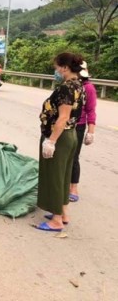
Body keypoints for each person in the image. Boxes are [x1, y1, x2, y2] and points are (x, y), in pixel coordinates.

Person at [36, 52, 85, 232]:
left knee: (55, 176)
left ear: (64, 67)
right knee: (64, 176)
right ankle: (63, 213)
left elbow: (63, 117)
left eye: (57, 67)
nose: (56, 70)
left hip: (60, 135)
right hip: (70, 135)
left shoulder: (66, 88)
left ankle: (56, 221)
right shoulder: (78, 85)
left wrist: (51, 141)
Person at [69, 61, 97, 202]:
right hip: (65, 125)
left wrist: (90, 132)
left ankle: (73, 187)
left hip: (78, 126)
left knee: (74, 157)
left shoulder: (88, 88)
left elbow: (91, 111)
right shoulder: (69, 85)